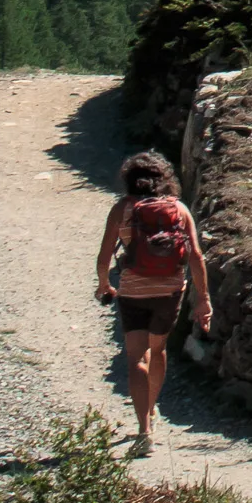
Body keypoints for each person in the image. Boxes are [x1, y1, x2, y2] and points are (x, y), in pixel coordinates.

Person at [93, 149, 213, 457]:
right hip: (170, 292)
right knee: (158, 350)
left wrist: (104, 285)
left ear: (129, 180)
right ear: (165, 179)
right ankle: (152, 408)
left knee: (136, 360)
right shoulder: (179, 209)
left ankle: (143, 429)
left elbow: (105, 255)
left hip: (133, 293)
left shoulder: (122, 210)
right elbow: (197, 257)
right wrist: (204, 300)